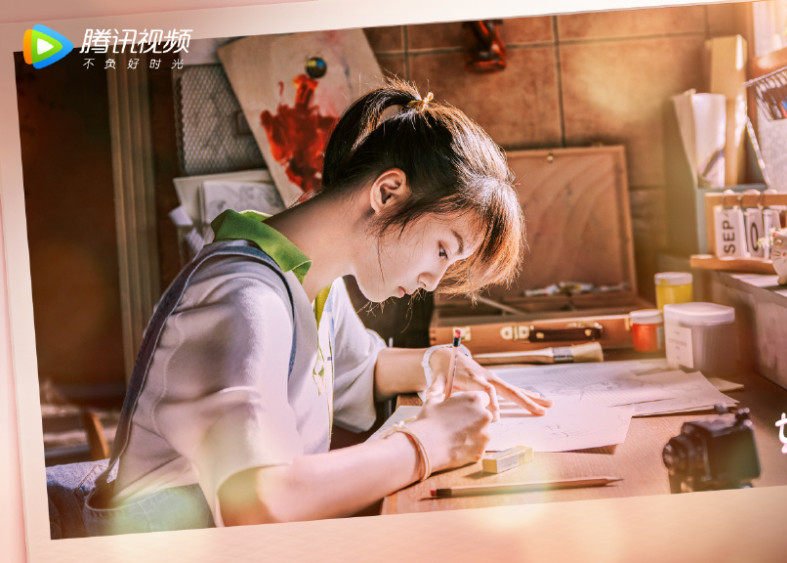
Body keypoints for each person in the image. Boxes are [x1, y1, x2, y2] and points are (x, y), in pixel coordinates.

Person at [89, 81, 552, 532]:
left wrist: (437, 361)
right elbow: (255, 505)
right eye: (443, 250)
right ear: (387, 192)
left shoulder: (309, 276)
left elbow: (358, 369)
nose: (433, 280)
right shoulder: (244, 299)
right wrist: (426, 443)